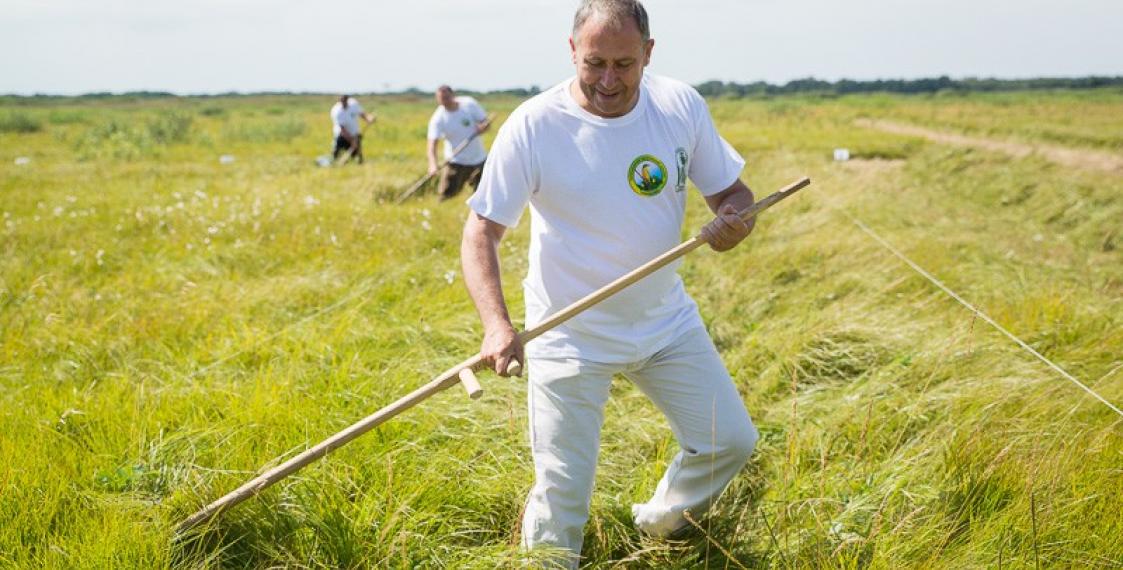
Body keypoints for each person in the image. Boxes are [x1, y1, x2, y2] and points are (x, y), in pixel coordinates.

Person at [460, 0, 759, 566]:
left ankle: (660, 522)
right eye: (594, 62)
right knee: (563, 488)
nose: (607, 81)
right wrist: (497, 325)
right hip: (568, 331)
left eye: (624, 64)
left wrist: (736, 221)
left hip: (665, 320)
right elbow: (481, 232)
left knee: (730, 442)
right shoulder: (535, 124)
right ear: (572, 51)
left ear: (649, 53)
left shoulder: (679, 105)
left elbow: (734, 196)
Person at [427, 86, 490, 200]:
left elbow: (485, 122)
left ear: (453, 95)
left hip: (478, 158)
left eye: (446, 97)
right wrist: (433, 165)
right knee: (446, 195)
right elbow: (432, 145)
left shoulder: (469, 104)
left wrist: (483, 128)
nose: (444, 101)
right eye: (441, 99)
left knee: (484, 195)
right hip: (456, 160)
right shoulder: (438, 119)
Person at [330, 94, 375, 164]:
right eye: (342, 101)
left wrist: (368, 119)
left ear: (347, 100)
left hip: (355, 133)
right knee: (336, 155)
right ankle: (336, 161)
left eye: (345, 101)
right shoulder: (337, 112)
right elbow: (342, 130)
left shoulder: (353, 104)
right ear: (339, 101)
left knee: (356, 154)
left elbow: (361, 113)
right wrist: (352, 141)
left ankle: (358, 162)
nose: (344, 103)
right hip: (341, 135)